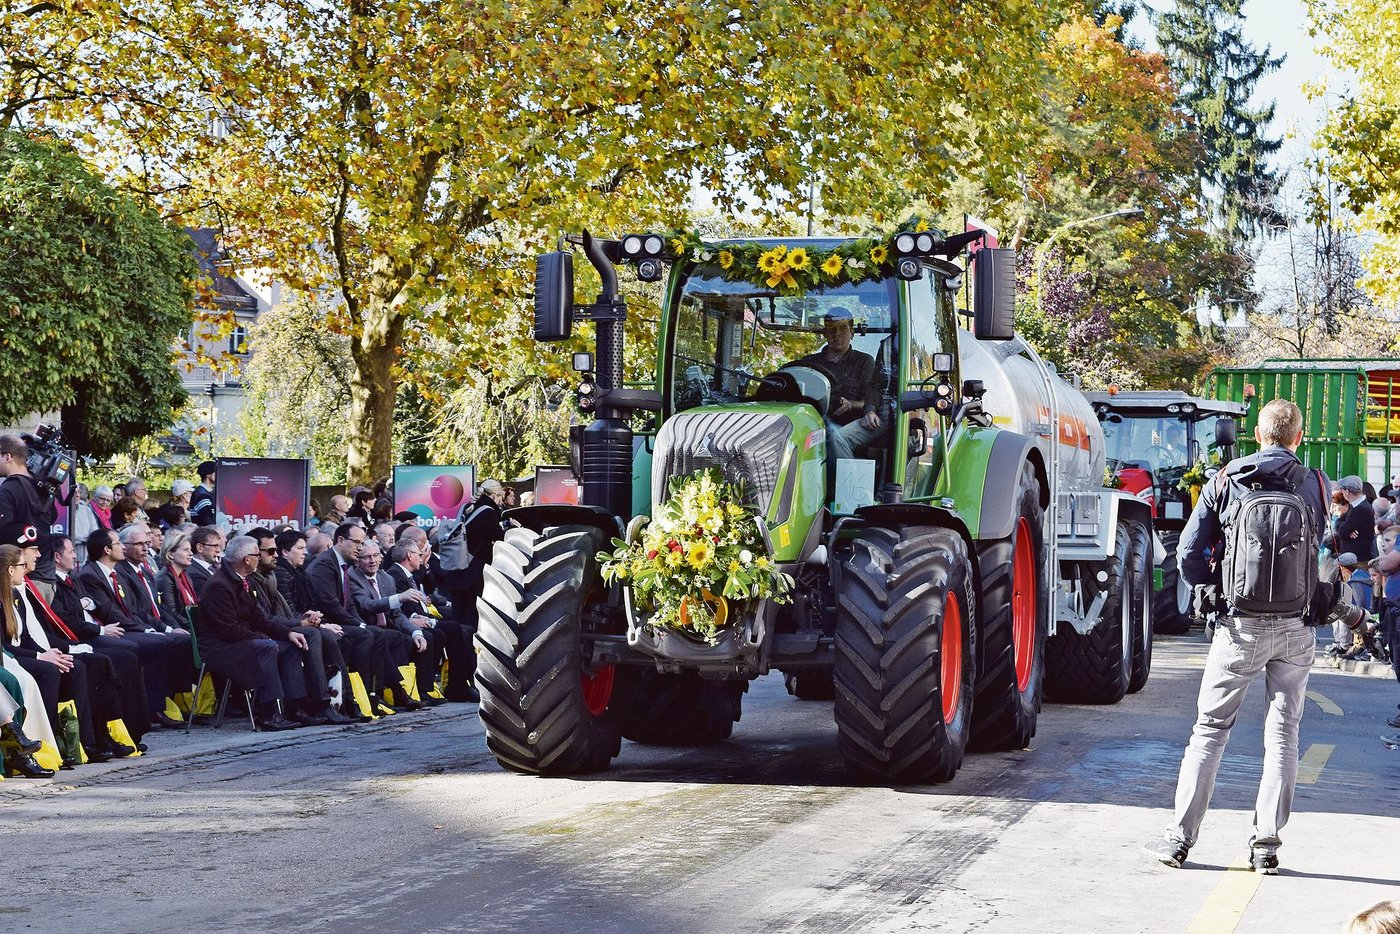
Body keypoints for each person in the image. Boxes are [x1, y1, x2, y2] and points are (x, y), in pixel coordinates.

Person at [1144, 400, 1330, 875]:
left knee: (1208, 732)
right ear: (1297, 438)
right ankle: (1266, 844)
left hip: (1238, 625)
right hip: (1296, 628)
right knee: (1284, 733)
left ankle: (1179, 840)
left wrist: (1208, 587)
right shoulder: (1313, 483)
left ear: (1259, 436)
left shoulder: (1226, 480)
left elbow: (1187, 551)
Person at [195, 536, 317, 732]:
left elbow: (261, 619)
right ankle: (268, 713)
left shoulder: (243, 580)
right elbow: (228, 629)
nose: (259, 559)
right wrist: (264, 638)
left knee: (290, 645)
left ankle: (294, 707)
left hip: (242, 640)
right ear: (246, 559)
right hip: (219, 646)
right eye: (256, 555)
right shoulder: (220, 585)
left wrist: (288, 634)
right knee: (267, 647)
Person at [79, 527, 186, 729]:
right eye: (118, 543)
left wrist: (156, 627)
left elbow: (134, 609)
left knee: (169, 640)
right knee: (159, 644)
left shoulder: (115, 574)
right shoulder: (90, 575)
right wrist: (146, 630)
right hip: (112, 629)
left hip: (128, 626)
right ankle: (152, 708)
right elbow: (110, 612)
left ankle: (160, 705)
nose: (121, 547)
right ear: (107, 550)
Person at [48, 534, 150, 748]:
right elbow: (65, 619)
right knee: (119, 656)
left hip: (92, 632)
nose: (75, 555)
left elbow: (97, 604)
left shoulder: (73, 578)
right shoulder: (52, 583)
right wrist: (101, 630)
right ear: (57, 557)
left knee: (128, 655)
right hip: (80, 636)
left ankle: (132, 730)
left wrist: (91, 607)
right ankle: (110, 733)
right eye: (70, 551)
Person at [245, 527, 354, 724]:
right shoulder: (251, 580)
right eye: (270, 551)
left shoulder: (268, 577)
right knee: (312, 635)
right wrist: (300, 623)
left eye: (276, 550)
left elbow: (278, 613)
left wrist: (309, 619)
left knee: (328, 636)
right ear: (253, 554)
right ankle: (320, 704)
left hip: (272, 629)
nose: (275, 555)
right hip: (255, 636)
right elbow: (262, 619)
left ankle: (344, 700)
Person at [787, 307, 884, 460]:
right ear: (824, 333)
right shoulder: (808, 362)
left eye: (843, 329)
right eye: (831, 329)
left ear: (852, 332)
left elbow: (871, 398)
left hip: (845, 423)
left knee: (830, 433)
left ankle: (843, 482)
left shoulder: (864, 361)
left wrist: (852, 404)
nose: (837, 334)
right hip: (809, 420)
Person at [385, 539, 470, 702]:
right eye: (419, 554)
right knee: (443, 632)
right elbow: (405, 606)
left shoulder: (408, 574)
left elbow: (429, 588)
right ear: (410, 556)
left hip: (420, 616)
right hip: (408, 620)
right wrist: (414, 618)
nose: (421, 557)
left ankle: (459, 684)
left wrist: (424, 566)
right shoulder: (395, 574)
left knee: (461, 628)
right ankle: (437, 687)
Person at [347, 540, 426, 710]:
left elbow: (396, 615)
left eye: (376, 555)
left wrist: (416, 633)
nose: (372, 560)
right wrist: (399, 597)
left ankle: (404, 692)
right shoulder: (352, 578)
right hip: (364, 627)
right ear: (357, 560)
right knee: (385, 636)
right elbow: (366, 605)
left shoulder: (386, 578)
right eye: (366, 557)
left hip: (385, 629)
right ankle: (395, 692)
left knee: (406, 638)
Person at [0, 544, 57, 777]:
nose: (26, 569)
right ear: (10, 570)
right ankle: (18, 745)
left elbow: (27, 636)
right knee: (20, 680)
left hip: (8, 655)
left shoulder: (13, 594)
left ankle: (22, 747)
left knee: (18, 679)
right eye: (22, 565)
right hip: (8, 654)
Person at [0, 433, 59, 595]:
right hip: (47, 577)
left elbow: (4, 533)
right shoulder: (43, 487)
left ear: (7, 457)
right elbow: (52, 517)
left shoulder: (6, 490)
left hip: (21, 579)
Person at [154, 531, 201, 632]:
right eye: (185, 550)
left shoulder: (185, 576)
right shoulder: (164, 578)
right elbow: (171, 613)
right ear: (171, 554)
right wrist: (196, 627)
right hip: (180, 629)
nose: (191, 553)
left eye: (190, 550)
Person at [1334, 475, 1378, 561]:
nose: (1342, 493)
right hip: (1354, 557)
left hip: (1357, 559)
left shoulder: (1360, 509)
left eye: (1342, 491)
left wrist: (1345, 528)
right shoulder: (1357, 506)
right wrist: (1345, 527)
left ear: (1347, 491)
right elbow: (1340, 524)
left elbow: (1342, 532)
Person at [187, 526, 224, 596]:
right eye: (215, 546)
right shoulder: (193, 573)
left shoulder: (215, 567)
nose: (218, 550)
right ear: (200, 547)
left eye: (218, 546)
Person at [190, 462, 217, 527]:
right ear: (208, 475)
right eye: (215, 472)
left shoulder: (206, 492)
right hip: (205, 533)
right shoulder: (202, 494)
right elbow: (207, 519)